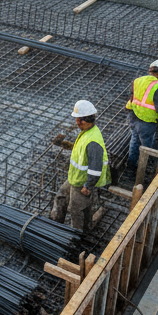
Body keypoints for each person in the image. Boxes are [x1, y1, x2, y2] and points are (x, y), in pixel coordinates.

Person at [51, 99, 110, 231]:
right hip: (75, 178)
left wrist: (88, 185)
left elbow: (96, 169)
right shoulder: (87, 131)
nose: (76, 122)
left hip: (82, 183)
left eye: (77, 119)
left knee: (77, 211)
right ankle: (54, 223)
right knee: (61, 197)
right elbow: (83, 151)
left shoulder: (93, 141)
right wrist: (67, 145)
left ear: (80, 120)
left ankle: (78, 236)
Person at [126, 61, 158, 170]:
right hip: (146, 122)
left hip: (132, 116)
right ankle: (143, 167)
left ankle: (131, 164)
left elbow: (133, 98)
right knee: (146, 146)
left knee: (135, 139)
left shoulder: (137, 80)